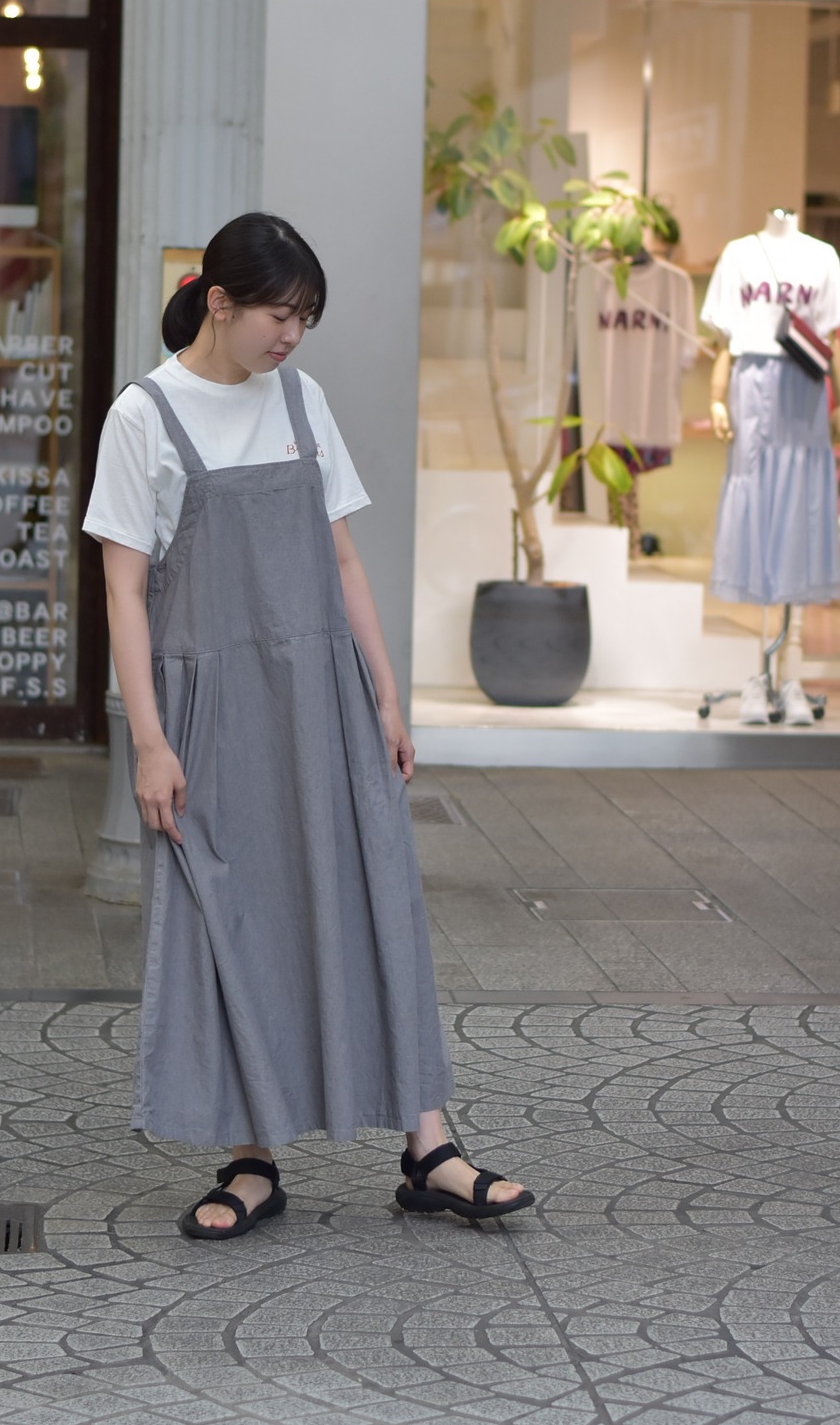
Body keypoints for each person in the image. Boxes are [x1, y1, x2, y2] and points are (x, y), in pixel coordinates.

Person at [83, 212, 533, 1238]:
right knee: (229, 919)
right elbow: (123, 593)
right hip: (209, 713)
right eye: (278, 315)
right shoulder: (143, 416)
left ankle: (429, 1146)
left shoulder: (302, 399)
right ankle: (250, 1158)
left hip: (322, 697)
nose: (290, 335)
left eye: (304, 318)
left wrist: (386, 695)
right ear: (219, 302)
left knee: (373, 896)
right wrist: (148, 741)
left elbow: (341, 560)